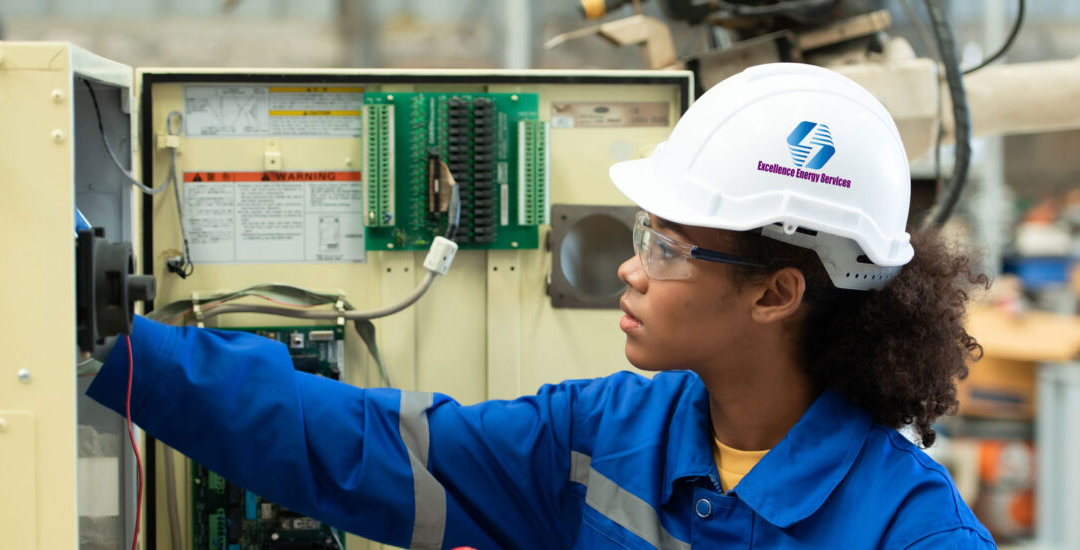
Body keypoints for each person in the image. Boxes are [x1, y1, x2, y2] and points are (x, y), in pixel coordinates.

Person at [87, 63, 995, 549]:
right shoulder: (602, 438)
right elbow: (351, 445)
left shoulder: (912, 532)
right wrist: (108, 343)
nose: (630, 271)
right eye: (643, 234)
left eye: (667, 248)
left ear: (775, 293)